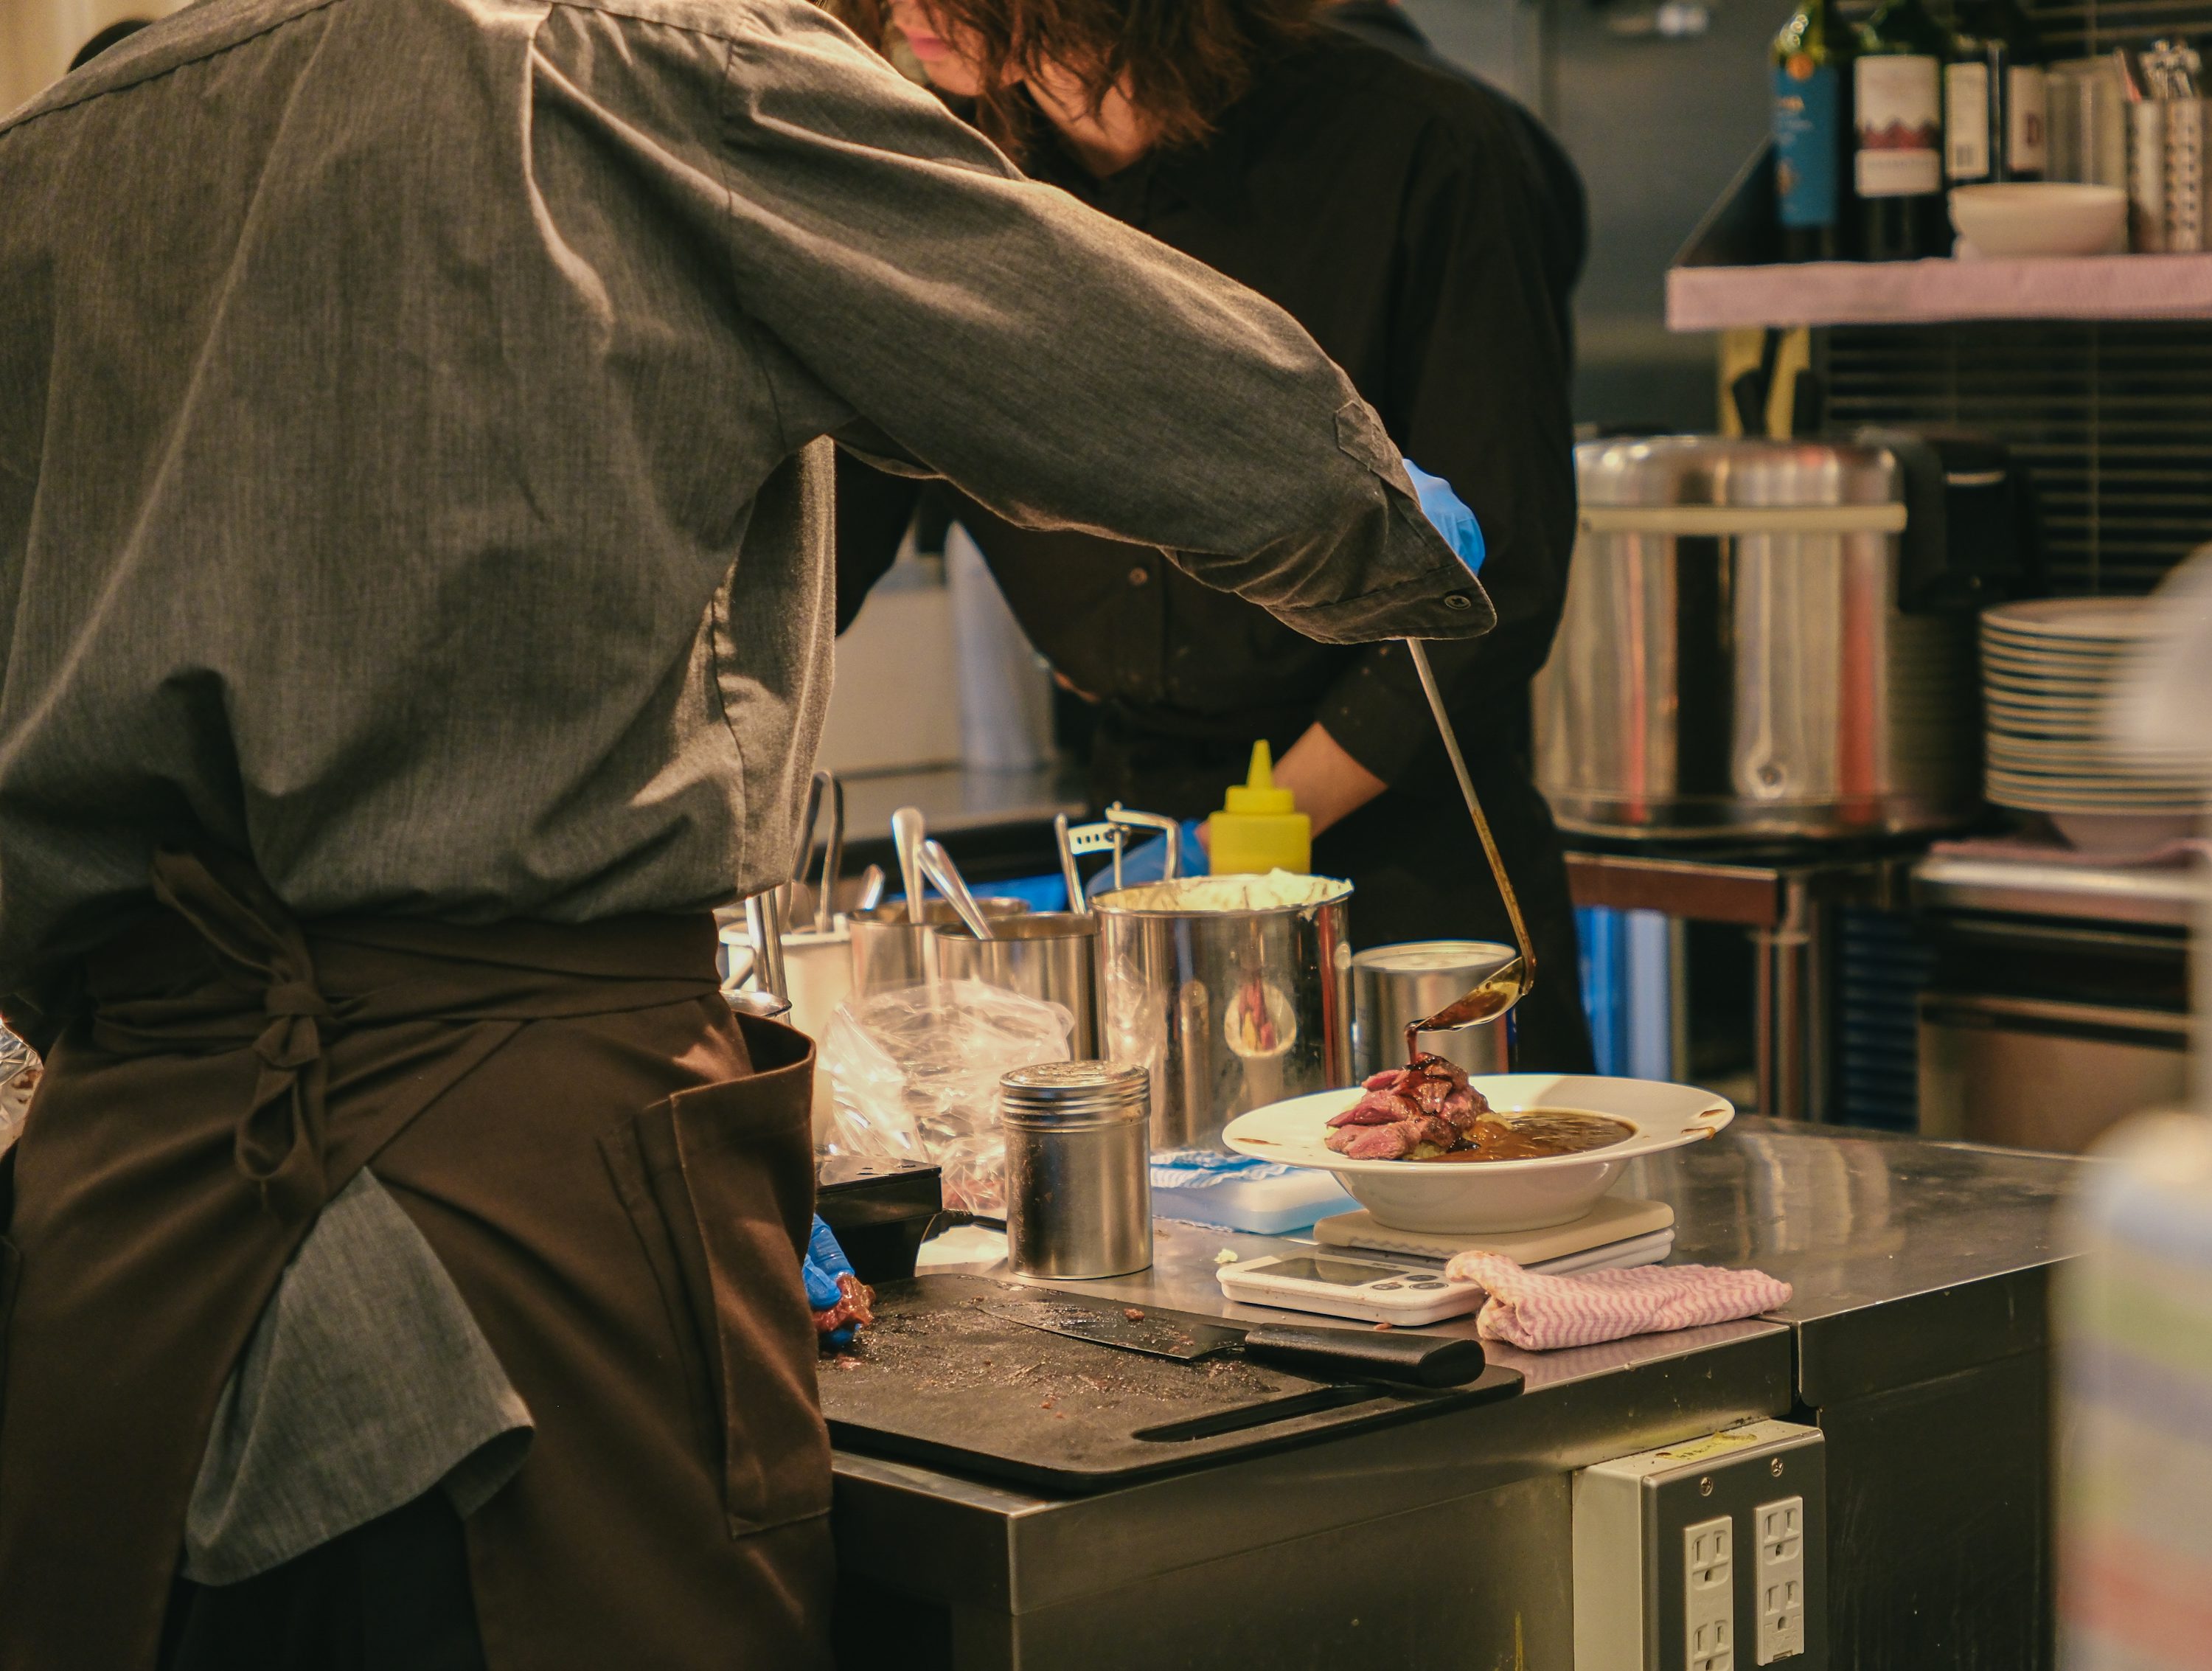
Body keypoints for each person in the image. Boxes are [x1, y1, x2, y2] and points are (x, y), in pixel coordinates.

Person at [0, 0, 1493, 1667]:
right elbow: (1130, 375)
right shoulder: (639, 58)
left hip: (110, 1240)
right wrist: (1372, 517)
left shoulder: (63, 142)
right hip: (516, 1213)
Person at [833, 0, 1596, 1069]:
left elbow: (1498, 583)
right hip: (1149, 858)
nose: (904, 12)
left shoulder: (1421, 146)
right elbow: (821, 539)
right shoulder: (943, 186)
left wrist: (1251, 838)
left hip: (1409, 865)